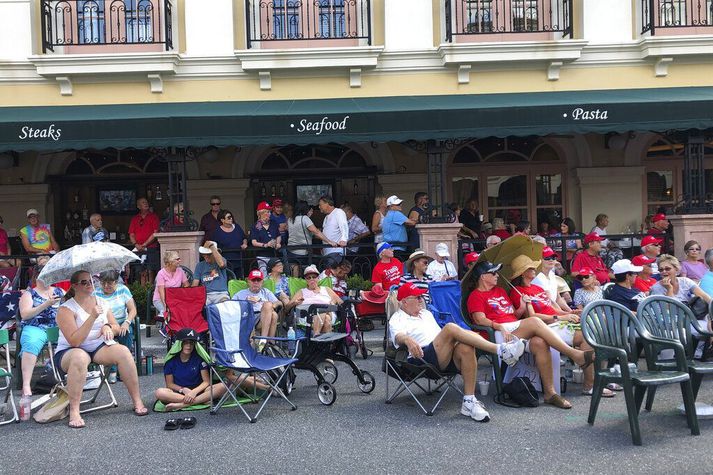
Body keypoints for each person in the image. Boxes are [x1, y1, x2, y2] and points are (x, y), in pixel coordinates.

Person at [390, 282, 526, 422]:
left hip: (442, 353)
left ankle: (469, 402)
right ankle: (501, 350)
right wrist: (407, 340)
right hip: (422, 357)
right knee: (450, 328)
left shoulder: (426, 314)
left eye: (421, 296)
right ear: (405, 302)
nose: (421, 300)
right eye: (417, 297)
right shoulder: (397, 318)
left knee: (466, 347)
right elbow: (398, 336)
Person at [467, 261, 593, 409]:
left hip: (514, 328)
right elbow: (479, 319)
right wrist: (498, 325)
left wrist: (522, 305)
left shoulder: (500, 291)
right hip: (499, 333)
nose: (497, 275)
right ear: (483, 277)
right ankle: (574, 354)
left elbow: (514, 314)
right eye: (493, 273)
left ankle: (550, 393)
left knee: (539, 342)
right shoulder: (475, 296)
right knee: (534, 321)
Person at [55, 270, 147, 428]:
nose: (90, 284)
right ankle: (74, 411)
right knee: (80, 357)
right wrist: (92, 317)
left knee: (124, 352)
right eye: (84, 282)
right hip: (69, 351)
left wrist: (107, 326)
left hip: (97, 346)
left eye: (91, 281)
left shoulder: (101, 302)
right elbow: (75, 341)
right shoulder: (65, 309)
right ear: (74, 286)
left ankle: (137, 400)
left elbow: (116, 327)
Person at [508, 256, 610, 398]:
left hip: (557, 321)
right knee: (588, 336)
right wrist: (562, 317)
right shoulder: (517, 291)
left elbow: (553, 307)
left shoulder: (537, 288)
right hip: (546, 326)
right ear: (523, 273)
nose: (534, 270)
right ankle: (590, 385)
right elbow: (532, 318)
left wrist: (570, 312)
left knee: (597, 332)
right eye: (531, 268)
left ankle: (599, 381)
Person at [154, 328, 227, 411]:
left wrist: (194, 392)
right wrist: (182, 389)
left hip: (199, 391)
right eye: (185, 343)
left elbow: (206, 381)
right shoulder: (170, 362)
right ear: (179, 344)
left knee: (222, 386)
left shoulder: (199, 359)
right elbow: (170, 384)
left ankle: (182, 405)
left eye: (191, 343)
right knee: (159, 392)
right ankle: (200, 401)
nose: (188, 346)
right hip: (180, 393)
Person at [18, 265, 64, 396]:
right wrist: (46, 304)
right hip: (36, 326)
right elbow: (25, 315)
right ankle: (26, 385)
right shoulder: (29, 294)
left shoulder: (60, 291)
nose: (47, 279)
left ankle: (65, 379)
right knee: (31, 343)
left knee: (74, 338)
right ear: (37, 277)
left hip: (58, 327)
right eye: (44, 276)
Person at [95, 270, 137, 378]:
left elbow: (132, 310)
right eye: (103, 283)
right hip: (105, 323)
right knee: (107, 335)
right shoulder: (96, 293)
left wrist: (127, 322)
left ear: (116, 282)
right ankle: (112, 369)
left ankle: (124, 367)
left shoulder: (123, 290)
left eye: (109, 283)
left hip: (122, 321)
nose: (105, 286)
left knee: (126, 333)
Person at [289, 265, 343, 336]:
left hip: (329, 313)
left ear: (318, 278)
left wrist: (333, 301)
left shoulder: (326, 289)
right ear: (306, 280)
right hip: (307, 317)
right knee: (325, 318)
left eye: (314, 277)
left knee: (322, 310)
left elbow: (341, 302)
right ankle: (327, 344)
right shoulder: (301, 292)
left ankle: (316, 335)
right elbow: (287, 308)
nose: (312, 279)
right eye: (308, 277)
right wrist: (294, 303)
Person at [234, 270, 280, 344]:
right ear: (248, 281)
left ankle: (267, 342)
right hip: (247, 318)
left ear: (262, 282)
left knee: (273, 313)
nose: (256, 282)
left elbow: (279, 302)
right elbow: (231, 305)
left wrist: (271, 306)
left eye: (258, 280)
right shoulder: (241, 293)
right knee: (272, 311)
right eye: (253, 280)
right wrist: (245, 302)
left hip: (263, 318)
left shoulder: (266, 292)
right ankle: (267, 341)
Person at [532, 246, 577, 313]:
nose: (551, 260)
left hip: (554, 310)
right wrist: (565, 314)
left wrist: (570, 311)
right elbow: (550, 302)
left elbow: (558, 298)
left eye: (553, 258)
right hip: (543, 312)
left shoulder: (551, 274)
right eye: (547, 258)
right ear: (539, 260)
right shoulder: (537, 278)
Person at [128, 198, 160, 285]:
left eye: (146, 202)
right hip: (138, 249)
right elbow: (131, 234)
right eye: (143, 202)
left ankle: (150, 290)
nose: (146, 204)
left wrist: (145, 244)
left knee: (150, 270)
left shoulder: (153, 217)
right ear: (138, 206)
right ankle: (143, 292)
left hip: (151, 248)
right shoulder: (135, 219)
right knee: (140, 271)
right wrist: (136, 244)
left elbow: (155, 233)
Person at [212, 209, 248, 278]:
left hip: (239, 260)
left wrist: (245, 243)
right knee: (228, 280)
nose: (231, 219)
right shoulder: (217, 231)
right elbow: (214, 246)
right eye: (228, 217)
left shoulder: (237, 227)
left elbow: (244, 237)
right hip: (225, 262)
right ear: (222, 220)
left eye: (231, 217)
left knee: (239, 281)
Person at [153, 250, 189, 318]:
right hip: (160, 299)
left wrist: (181, 295)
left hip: (175, 298)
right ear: (170, 262)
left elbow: (186, 285)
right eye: (177, 259)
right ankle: (164, 326)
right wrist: (165, 305)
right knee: (166, 311)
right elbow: (161, 292)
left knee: (184, 309)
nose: (180, 260)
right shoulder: (161, 273)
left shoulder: (180, 271)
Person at [192, 241, 229, 305]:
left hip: (221, 294)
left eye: (208, 254)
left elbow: (222, 264)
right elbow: (195, 284)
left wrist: (212, 247)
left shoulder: (221, 260)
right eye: (204, 254)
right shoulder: (200, 265)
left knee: (224, 306)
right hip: (206, 295)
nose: (205, 256)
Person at [251, 201, 281, 274]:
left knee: (275, 275)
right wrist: (266, 245)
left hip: (273, 255)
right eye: (267, 212)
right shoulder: (257, 225)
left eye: (269, 212)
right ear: (261, 213)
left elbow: (278, 235)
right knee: (264, 276)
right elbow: (254, 242)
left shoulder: (273, 223)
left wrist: (278, 243)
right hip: (262, 256)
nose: (269, 214)